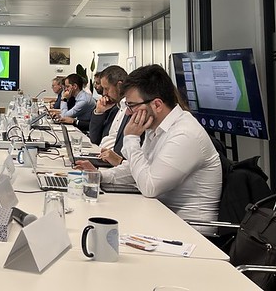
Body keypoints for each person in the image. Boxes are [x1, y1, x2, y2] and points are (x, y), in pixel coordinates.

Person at [76, 65, 222, 224]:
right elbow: (136, 169)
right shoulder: (157, 128)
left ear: (157, 105)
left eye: (131, 105)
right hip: (160, 216)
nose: (127, 112)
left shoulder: (185, 134)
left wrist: (131, 139)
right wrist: (99, 176)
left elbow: (150, 186)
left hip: (187, 228)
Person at [88, 66, 125, 147]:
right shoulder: (114, 108)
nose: (104, 93)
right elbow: (94, 139)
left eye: (106, 89)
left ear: (119, 86)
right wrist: (99, 112)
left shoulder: (131, 110)